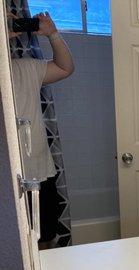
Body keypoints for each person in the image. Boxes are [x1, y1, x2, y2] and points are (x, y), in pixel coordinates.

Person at [9, 11, 74, 246]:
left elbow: (65, 68)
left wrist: (53, 34)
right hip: (10, 178)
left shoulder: (25, 67)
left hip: (40, 171)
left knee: (44, 238)